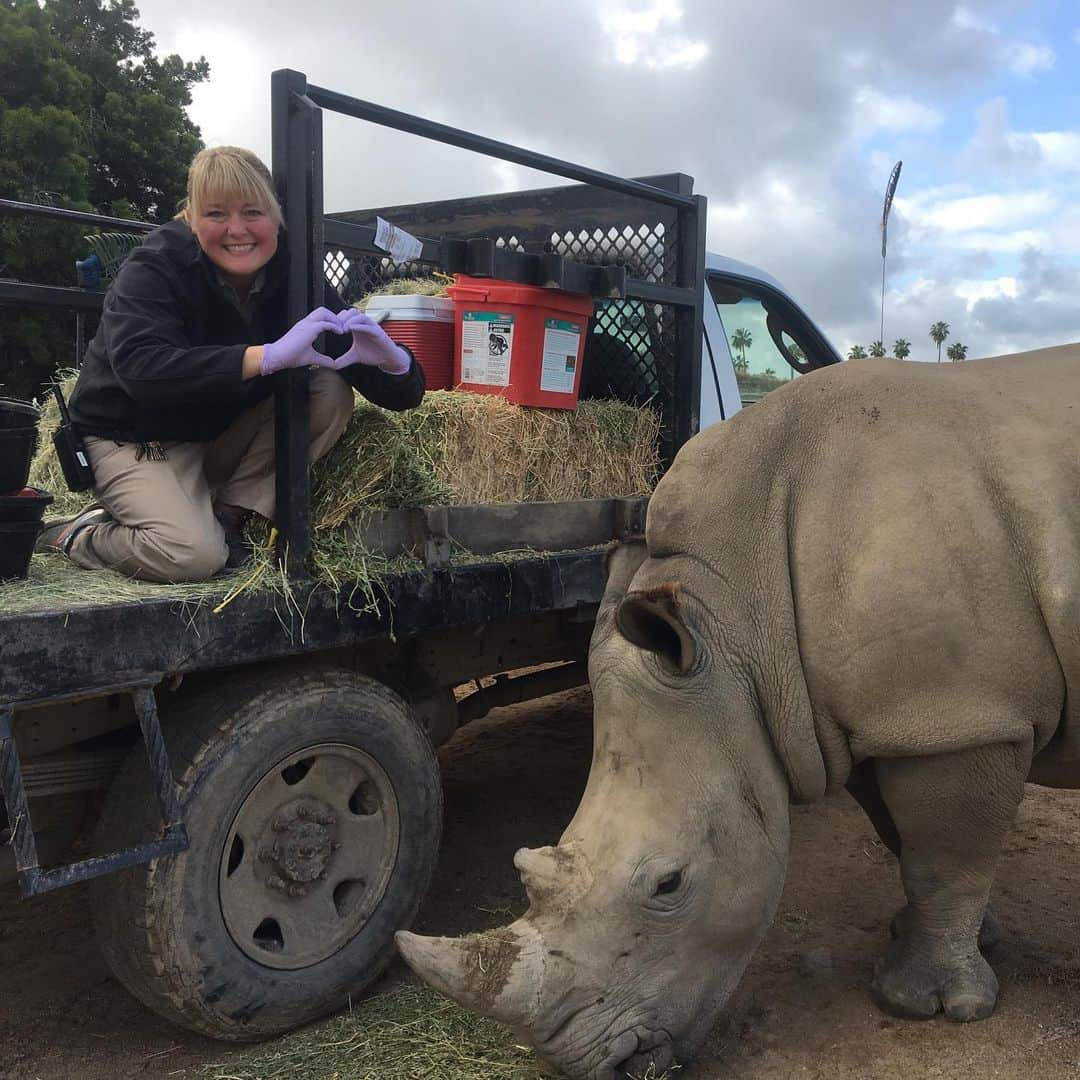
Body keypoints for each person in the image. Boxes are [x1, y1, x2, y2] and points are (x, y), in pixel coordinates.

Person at [37, 146, 425, 582]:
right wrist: (266, 357)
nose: (236, 230)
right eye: (216, 213)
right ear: (191, 216)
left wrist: (394, 364)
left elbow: (395, 390)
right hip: (135, 438)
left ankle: (229, 514)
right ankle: (76, 534)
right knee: (190, 556)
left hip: (216, 430)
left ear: (276, 216)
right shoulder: (156, 265)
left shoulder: (292, 272)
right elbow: (142, 369)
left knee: (328, 389)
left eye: (253, 212)